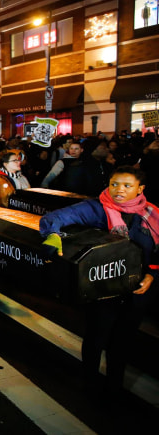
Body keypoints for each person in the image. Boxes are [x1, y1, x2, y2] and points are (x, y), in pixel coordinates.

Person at [39, 166, 158, 395]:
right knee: (96, 338)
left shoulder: (152, 214)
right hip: (103, 290)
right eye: (114, 184)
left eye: (126, 186)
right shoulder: (96, 208)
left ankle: (114, 387)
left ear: (140, 189)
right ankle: (90, 385)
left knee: (122, 344)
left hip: (136, 293)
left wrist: (152, 276)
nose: (118, 190)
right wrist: (52, 235)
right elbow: (54, 218)